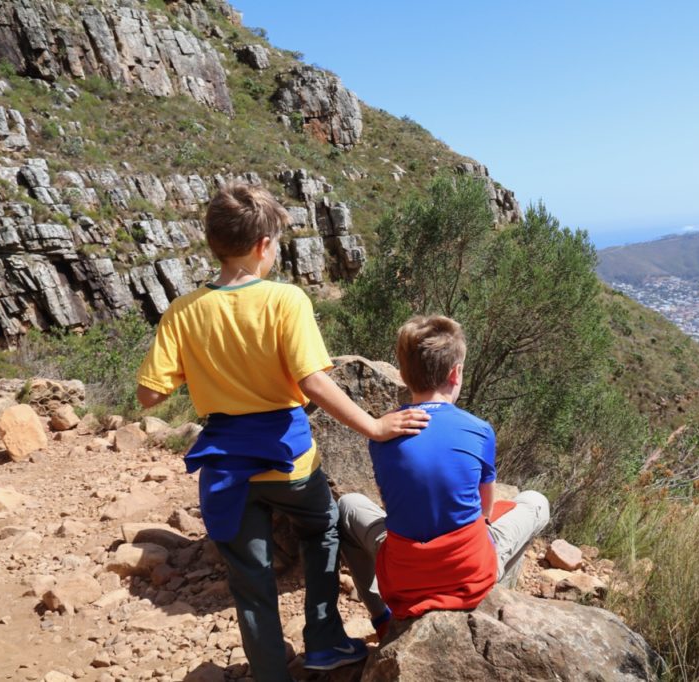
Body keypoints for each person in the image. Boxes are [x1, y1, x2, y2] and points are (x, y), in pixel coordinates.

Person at [135, 183, 429, 681]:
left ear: (214, 243)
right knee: (324, 527)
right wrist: (376, 427)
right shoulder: (284, 300)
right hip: (287, 459)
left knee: (249, 582)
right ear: (263, 246)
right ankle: (323, 641)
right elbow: (313, 381)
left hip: (225, 469)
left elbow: (148, 396)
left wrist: (202, 366)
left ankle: (271, 674)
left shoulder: (183, 311)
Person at [338, 315, 550, 640]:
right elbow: (484, 512)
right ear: (456, 373)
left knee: (349, 505)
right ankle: (496, 596)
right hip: (468, 574)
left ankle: (382, 618)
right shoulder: (479, 430)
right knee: (535, 502)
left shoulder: (381, 432)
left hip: (404, 581)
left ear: (404, 375)